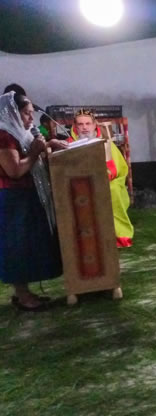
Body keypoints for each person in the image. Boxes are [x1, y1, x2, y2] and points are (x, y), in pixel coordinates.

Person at [0, 92, 63, 311]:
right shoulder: (4, 135)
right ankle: (23, 296)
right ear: (12, 113)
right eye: (26, 114)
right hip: (13, 198)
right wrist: (36, 152)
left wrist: (48, 144)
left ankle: (24, 293)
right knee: (18, 245)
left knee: (28, 244)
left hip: (26, 195)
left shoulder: (20, 132)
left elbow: (31, 152)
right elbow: (15, 170)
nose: (31, 119)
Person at [72, 109, 134, 247]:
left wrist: (100, 178)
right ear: (75, 126)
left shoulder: (105, 143)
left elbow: (114, 168)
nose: (84, 127)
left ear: (94, 125)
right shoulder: (69, 143)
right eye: (80, 124)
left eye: (88, 123)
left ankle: (119, 236)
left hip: (105, 181)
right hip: (79, 182)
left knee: (112, 190)